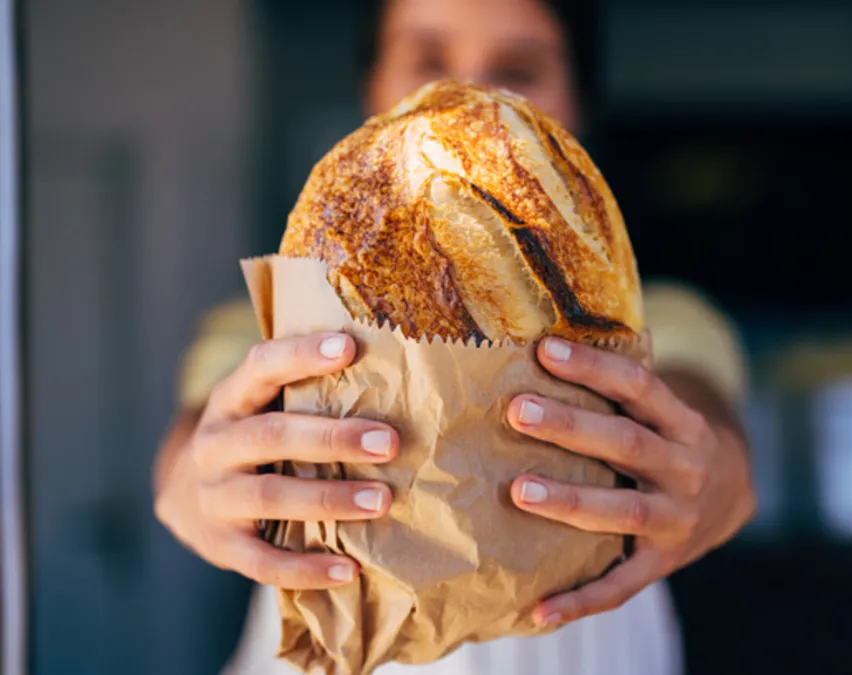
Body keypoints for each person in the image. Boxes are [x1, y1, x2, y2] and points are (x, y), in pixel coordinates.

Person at [152, 0, 757, 673]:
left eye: (517, 70)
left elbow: (712, 433)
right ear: (372, 93)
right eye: (428, 61)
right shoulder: (278, 319)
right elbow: (190, 445)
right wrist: (190, 483)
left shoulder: (656, 320)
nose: (464, 99)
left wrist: (710, 480)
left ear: (577, 109)